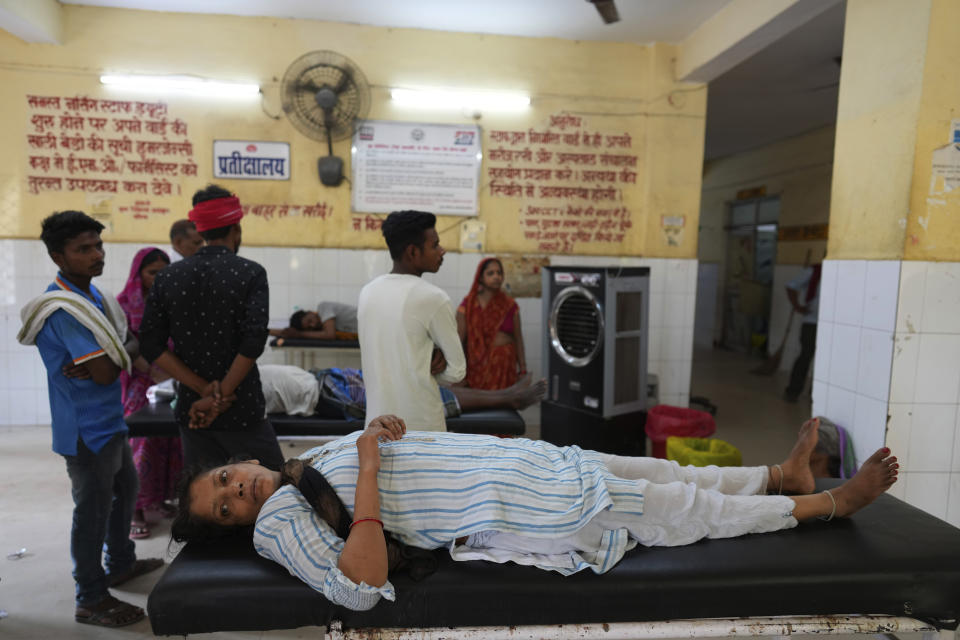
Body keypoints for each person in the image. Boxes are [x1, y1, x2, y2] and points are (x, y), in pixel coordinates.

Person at [172, 416, 899, 613]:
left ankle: (779, 474)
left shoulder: (300, 462)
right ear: (241, 524)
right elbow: (358, 585)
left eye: (228, 480)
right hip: (534, 508)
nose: (240, 494)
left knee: (665, 470)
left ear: (240, 461)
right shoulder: (278, 524)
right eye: (227, 508)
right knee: (685, 507)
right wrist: (367, 464)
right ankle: (826, 503)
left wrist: (380, 435)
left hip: (533, 469)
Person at [19, 211, 162, 627]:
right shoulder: (63, 309)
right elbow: (109, 367)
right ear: (57, 256)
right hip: (84, 428)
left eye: (98, 246)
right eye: (83, 249)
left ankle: (119, 563)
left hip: (110, 419)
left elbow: (125, 349)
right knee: (93, 511)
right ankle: (90, 597)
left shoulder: (96, 299)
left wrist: (114, 355)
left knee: (125, 490)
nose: (96, 255)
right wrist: (115, 355)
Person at [140, 184, 284, 472]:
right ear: (236, 229)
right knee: (272, 490)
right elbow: (253, 340)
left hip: (194, 409)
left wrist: (205, 391)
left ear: (201, 230)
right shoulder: (250, 273)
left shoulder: (168, 277)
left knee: (206, 498)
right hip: (242, 407)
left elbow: (150, 344)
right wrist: (223, 394)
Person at [357, 211, 466, 430]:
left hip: (378, 426)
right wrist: (431, 367)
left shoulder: (367, 292)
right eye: (435, 245)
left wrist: (423, 357)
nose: (441, 250)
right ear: (413, 252)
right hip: (421, 425)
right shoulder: (434, 298)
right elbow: (457, 371)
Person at [116, 247, 181, 539]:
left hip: (170, 381)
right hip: (139, 383)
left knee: (168, 442)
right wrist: (152, 371)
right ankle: (134, 510)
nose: (159, 277)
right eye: (153, 272)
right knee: (140, 444)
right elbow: (123, 344)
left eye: (163, 271)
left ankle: (158, 498)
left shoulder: (172, 301)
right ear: (138, 273)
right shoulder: (124, 304)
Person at [258, 363, 546, 418]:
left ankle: (506, 394)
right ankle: (510, 398)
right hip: (328, 398)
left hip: (327, 378)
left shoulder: (241, 373)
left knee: (422, 386)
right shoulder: (244, 395)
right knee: (422, 398)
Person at [457, 257, 526, 390]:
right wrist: (459, 374)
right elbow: (459, 341)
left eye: (499, 273)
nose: (496, 277)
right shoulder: (468, 305)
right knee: (480, 408)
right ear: (481, 277)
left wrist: (523, 369)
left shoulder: (510, 305)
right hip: (476, 369)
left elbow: (518, 339)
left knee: (503, 408)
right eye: (491, 273)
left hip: (504, 368)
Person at [784, 263, 821, 402]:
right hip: (811, 322)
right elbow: (791, 286)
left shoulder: (842, 273)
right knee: (806, 356)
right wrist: (797, 306)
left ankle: (816, 395)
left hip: (832, 325)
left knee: (824, 361)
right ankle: (793, 391)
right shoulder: (814, 271)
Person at [269, 302, 358, 341]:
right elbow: (286, 332)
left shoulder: (323, 307)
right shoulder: (322, 327)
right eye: (309, 327)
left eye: (310, 320)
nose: (313, 325)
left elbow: (330, 335)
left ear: (310, 312)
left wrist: (299, 334)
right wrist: (265, 331)